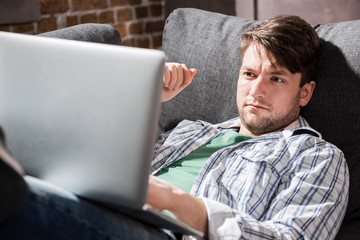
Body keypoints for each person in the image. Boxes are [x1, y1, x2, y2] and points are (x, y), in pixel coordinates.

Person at [0, 15, 348, 240]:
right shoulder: (191, 130)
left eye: (276, 78)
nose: (256, 91)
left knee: (17, 196)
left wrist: (176, 201)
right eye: (249, 74)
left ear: (305, 92)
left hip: (163, 233)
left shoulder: (317, 157)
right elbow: (109, 162)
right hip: (109, 209)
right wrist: (152, 100)